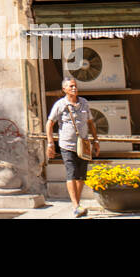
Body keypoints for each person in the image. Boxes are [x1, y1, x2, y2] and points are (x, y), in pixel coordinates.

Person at [47, 77, 100, 217]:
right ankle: (75, 205)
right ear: (64, 89)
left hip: (83, 145)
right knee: (72, 173)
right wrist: (50, 143)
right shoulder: (60, 104)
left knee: (81, 175)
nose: (74, 88)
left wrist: (96, 140)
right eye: (70, 86)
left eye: (75, 86)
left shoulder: (84, 103)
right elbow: (49, 123)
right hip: (67, 145)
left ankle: (78, 202)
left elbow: (90, 122)